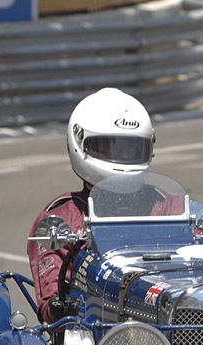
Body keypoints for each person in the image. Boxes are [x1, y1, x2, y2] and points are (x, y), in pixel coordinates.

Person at [27, 87, 170, 323]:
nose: (122, 157)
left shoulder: (167, 206)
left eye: (131, 150)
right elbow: (50, 303)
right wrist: (59, 305)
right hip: (90, 331)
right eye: (111, 148)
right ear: (81, 143)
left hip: (163, 324)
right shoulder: (59, 219)